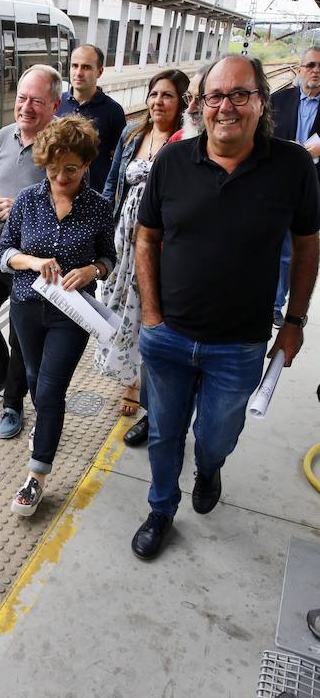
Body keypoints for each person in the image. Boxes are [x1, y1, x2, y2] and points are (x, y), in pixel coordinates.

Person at [132, 55, 320, 561]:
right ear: (201, 105)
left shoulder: (292, 167)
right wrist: (151, 314)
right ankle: (161, 508)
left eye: (240, 94)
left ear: (262, 102)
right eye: (215, 96)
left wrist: (295, 323)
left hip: (238, 344)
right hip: (168, 337)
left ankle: (210, 467)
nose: (226, 107)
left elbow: (307, 245)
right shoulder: (172, 163)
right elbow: (145, 237)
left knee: (216, 436)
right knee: (165, 433)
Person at [0, 114, 116, 516]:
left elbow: (109, 257)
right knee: (34, 378)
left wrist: (92, 270)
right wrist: (32, 261)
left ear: (86, 165)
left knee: (50, 390)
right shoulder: (29, 201)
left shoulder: (100, 208)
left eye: (71, 169)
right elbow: (4, 253)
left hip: (72, 313)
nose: (61, 177)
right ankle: (46, 427)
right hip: (27, 307)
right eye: (53, 169)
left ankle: (36, 475)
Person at [0, 64, 62, 441]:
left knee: (21, 338)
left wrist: (22, 209)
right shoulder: (5, 136)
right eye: (22, 98)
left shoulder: (60, 147)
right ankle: (0, 371)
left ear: (54, 104)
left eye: (37, 101)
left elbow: (64, 205)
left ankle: (12, 403)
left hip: (29, 264)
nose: (26, 107)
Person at [97, 69, 188, 416]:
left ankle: (138, 383)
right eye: (154, 94)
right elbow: (112, 184)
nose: (157, 102)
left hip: (158, 239)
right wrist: (101, 227)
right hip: (123, 234)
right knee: (119, 304)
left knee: (146, 306)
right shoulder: (132, 135)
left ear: (180, 102)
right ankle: (125, 374)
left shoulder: (183, 141)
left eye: (166, 95)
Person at [125, 66, 207, 447]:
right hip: (153, 252)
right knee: (154, 333)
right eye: (200, 98)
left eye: (192, 98)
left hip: (201, 272)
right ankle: (152, 414)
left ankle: (193, 427)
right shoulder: (175, 144)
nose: (197, 106)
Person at [272, 47, 320, 328]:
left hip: (313, 187)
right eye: (310, 65)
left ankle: (278, 305)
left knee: (294, 249)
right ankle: (268, 301)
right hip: (278, 185)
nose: (315, 70)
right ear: (300, 69)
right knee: (272, 245)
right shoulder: (279, 100)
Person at [56, 44, 126, 192]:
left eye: (86, 67)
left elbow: (118, 162)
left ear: (99, 72)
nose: (78, 73)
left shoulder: (113, 111)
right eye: (75, 66)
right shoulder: (56, 103)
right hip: (57, 193)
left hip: (93, 198)